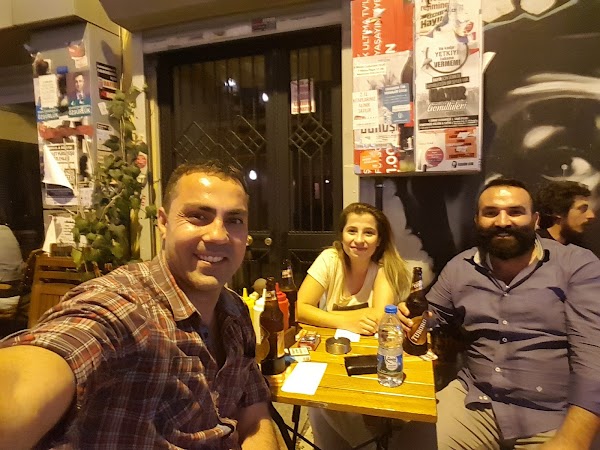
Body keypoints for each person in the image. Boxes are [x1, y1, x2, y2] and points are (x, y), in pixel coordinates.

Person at [0, 160, 278, 449]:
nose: (218, 234)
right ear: (163, 223)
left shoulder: (235, 312)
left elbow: (253, 412)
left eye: (234, 220)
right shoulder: (125, 308)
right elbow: (36, 369)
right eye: (198, 216)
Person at [399, 178, 600, 449]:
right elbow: (432, 314)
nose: (502, 221)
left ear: (535, 220)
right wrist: (413, 318)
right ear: (477, 221)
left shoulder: (577, 266)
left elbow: (594, 358)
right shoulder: (461, 267)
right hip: (475, 400)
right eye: (491, 213)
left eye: (515, 212)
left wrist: (572, 440)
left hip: (554, 414)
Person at [298, 202, 411, 450]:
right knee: (319, 399)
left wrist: (325, 316)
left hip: (369, 361)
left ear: (379, 240)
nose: (359, 240)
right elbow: (302, 308)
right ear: (342, 235)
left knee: (323, 403)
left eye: (368, 232)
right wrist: (348, 320)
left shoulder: (384, 268)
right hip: (330, 354)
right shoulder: (330, 259)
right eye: (352, 231)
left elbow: (380, 318)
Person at [535, 180, 596, 245]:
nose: (591, 215)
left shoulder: (581, 247)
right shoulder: (534, 245)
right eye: (583, 209)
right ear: (558, 212)